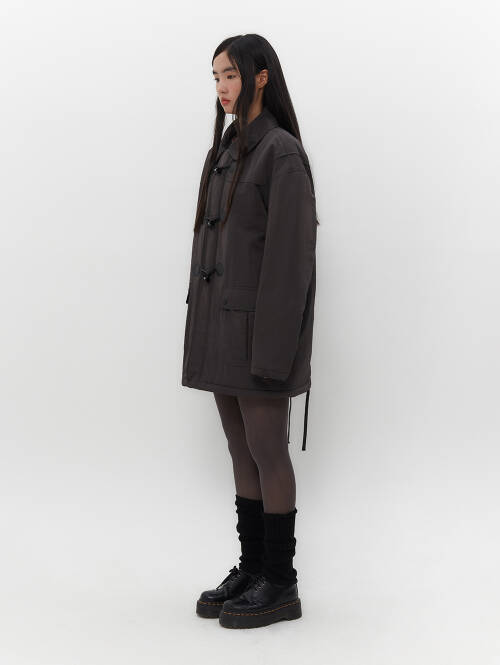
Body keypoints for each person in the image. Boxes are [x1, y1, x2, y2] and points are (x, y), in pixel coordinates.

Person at [182, 33, 319, 629]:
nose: (222, 87)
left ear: (261, 76)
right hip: (222, 332)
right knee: (241, 451)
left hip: (260, 337)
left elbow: (290, 263)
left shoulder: (280, 154)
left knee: (268, 450)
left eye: (231, 74)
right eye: (215, 77)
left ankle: (281, 583)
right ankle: (254, 567)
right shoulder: (227, 149)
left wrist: (274, 352)